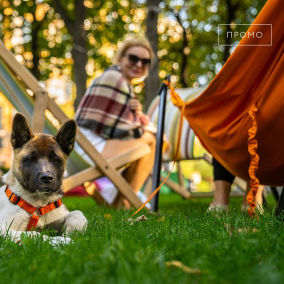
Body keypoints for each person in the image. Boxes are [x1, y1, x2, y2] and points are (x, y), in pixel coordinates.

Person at [74, 36, 156, 207]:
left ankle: (122, 200)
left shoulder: (117, 79)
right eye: (133, 58)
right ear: (120, 58)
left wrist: (136, 113)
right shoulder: (115, 78)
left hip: (83, 146)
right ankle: (124, 202)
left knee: (150, 141)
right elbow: (131, 130)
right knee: (151, 140)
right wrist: (143, 124)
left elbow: (120, 123)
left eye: (145, 61)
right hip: (88, 148)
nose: (139, 64)